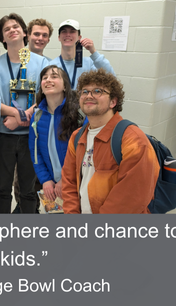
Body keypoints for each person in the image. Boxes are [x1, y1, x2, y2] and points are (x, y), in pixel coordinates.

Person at [61, 69, 159, 214]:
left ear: (113, 102)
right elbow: (69, 183)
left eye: (97, 91)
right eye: (84, 91)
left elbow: (131, 198)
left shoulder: (133, 140)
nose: (89, 95)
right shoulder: (77, 137)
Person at [0, 13, 48, 213]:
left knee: (28, 190)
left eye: (16, 27)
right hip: (3, 136)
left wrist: (24, 117)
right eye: (6, 29)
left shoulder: (42, 63)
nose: (12, 30)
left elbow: (46, 96)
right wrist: (16, 114)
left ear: (24, 33)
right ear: (2, 38)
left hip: (32, 136)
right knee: (2, 189)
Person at [29, 65, 83, 202]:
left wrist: (66, 179)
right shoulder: (37, 117)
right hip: (50, 183)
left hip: (77, 181)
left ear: (65, 86)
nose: (48, 80)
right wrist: (45, 179)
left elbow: (84, 153)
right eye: (44, 77)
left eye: (54, 76)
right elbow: (35, 153)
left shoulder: (79, 115)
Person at [48, 19, 115, 90]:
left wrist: (93, 52)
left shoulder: (89, 63)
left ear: (79, 37)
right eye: (64, 32)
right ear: (59, 38)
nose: (68, 35)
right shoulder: (51, 65)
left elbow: (111, 79)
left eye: (72, 31)